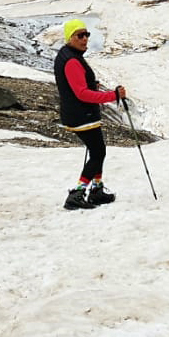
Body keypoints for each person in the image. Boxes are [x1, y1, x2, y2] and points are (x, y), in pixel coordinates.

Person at [54, 19, 126, 210]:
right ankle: (79, 193)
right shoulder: (72, 61)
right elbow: (81, 93)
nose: (85, 39)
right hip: (81, 115)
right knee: (98, 152)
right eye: (80, 35)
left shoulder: (68, 55)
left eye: (87, 35)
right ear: (70, 37)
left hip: (78, 114)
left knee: (97, 150)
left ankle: (96, 190)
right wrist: (112, 96)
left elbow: (78, 86)